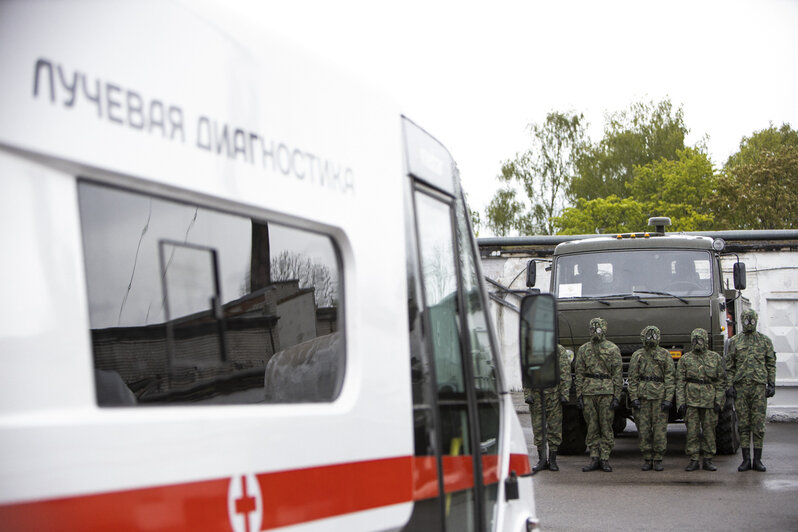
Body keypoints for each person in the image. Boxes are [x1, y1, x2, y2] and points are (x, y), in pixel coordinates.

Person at [726, 309, 776, 472]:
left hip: (758, 388)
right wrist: (730, 385)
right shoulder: (735, 341)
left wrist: (771, 384)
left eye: (751, 320)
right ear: (741, 321)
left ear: (755, 320)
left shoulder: (765, 341)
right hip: (741, 388)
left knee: (758, 425)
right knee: (743, 424)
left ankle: (758, 460)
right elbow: (730, 366)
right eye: (746, 320)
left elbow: (770, 364)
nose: (748, 323)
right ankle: (746, 460)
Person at [575, 317, 622, 472]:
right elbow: (579, 373)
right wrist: (579, 395)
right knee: (592, 426)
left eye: (598, 328)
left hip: (606, 392)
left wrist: (617, 396)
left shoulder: (612, 349)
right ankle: (594, 456)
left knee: (606, 426)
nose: (595, 332)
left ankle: (605, 458)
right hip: (589, 392)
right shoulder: (584, 349)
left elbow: (617, 374)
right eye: (593, 329)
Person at [676, 328, 726, 471]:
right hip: (691, 400)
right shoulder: (685, 359)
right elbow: (680, 382)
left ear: (706, 341)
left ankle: (708, 459)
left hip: (709, 400)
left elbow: (721, 382)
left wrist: (718, 401)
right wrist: (681, 402)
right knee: (692, 431)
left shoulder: (715, 358)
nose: (697, 342)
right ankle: (694, 459)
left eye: (700, 340)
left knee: (709, 431)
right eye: (694, 340)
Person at [628, 325, 675, 471]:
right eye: (649, 335)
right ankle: (647, 458)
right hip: (643, 397)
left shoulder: (665, 354)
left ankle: (658, 458)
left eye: (654, 335)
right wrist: (634, 397)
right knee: (644, 430)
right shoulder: (638, 355)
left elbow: (670, 378)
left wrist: (668, 398)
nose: (651, 338)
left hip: (659, 397)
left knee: (660, 430)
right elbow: (632, 378)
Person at [524, 344, 573, 472]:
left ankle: (552, 460)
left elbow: (565, 371)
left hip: (554, 395)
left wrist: (564, 393)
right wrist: (527, 394)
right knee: (538, 428)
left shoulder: (559, 350)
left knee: (554, 427)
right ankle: (541, 459)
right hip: (537, 395)